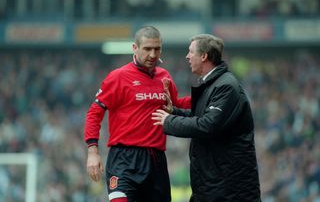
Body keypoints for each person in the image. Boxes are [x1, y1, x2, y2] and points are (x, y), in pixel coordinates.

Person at [84, 26, 190, 202]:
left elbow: (177, 105)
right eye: (147, 49)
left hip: (156, 161)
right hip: (123, 159)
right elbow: (94, 113)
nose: (153, 54)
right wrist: (93, 151)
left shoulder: (165, 77)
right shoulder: (118, 77)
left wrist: (207, 95)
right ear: (135, 48)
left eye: (157, 49)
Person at [152, 34, 261, 201]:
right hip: (213, 185)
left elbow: (207, 125)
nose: (187, 56)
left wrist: (169, 121)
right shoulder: (212, 84)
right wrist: (173, 111)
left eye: (191, 52)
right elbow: (199, 116)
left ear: (204, 56)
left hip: (229, 189)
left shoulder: (226, 86)